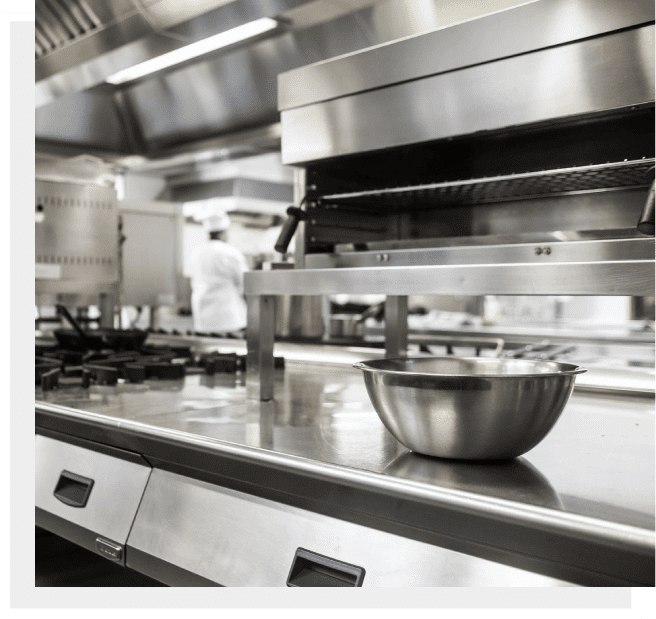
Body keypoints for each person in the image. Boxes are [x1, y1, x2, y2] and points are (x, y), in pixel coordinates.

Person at [190, 213, 249, 334]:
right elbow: (245, 281)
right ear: (223, 233)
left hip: (202, 314)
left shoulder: (197, 253)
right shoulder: (231, 252)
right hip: (228, 314)